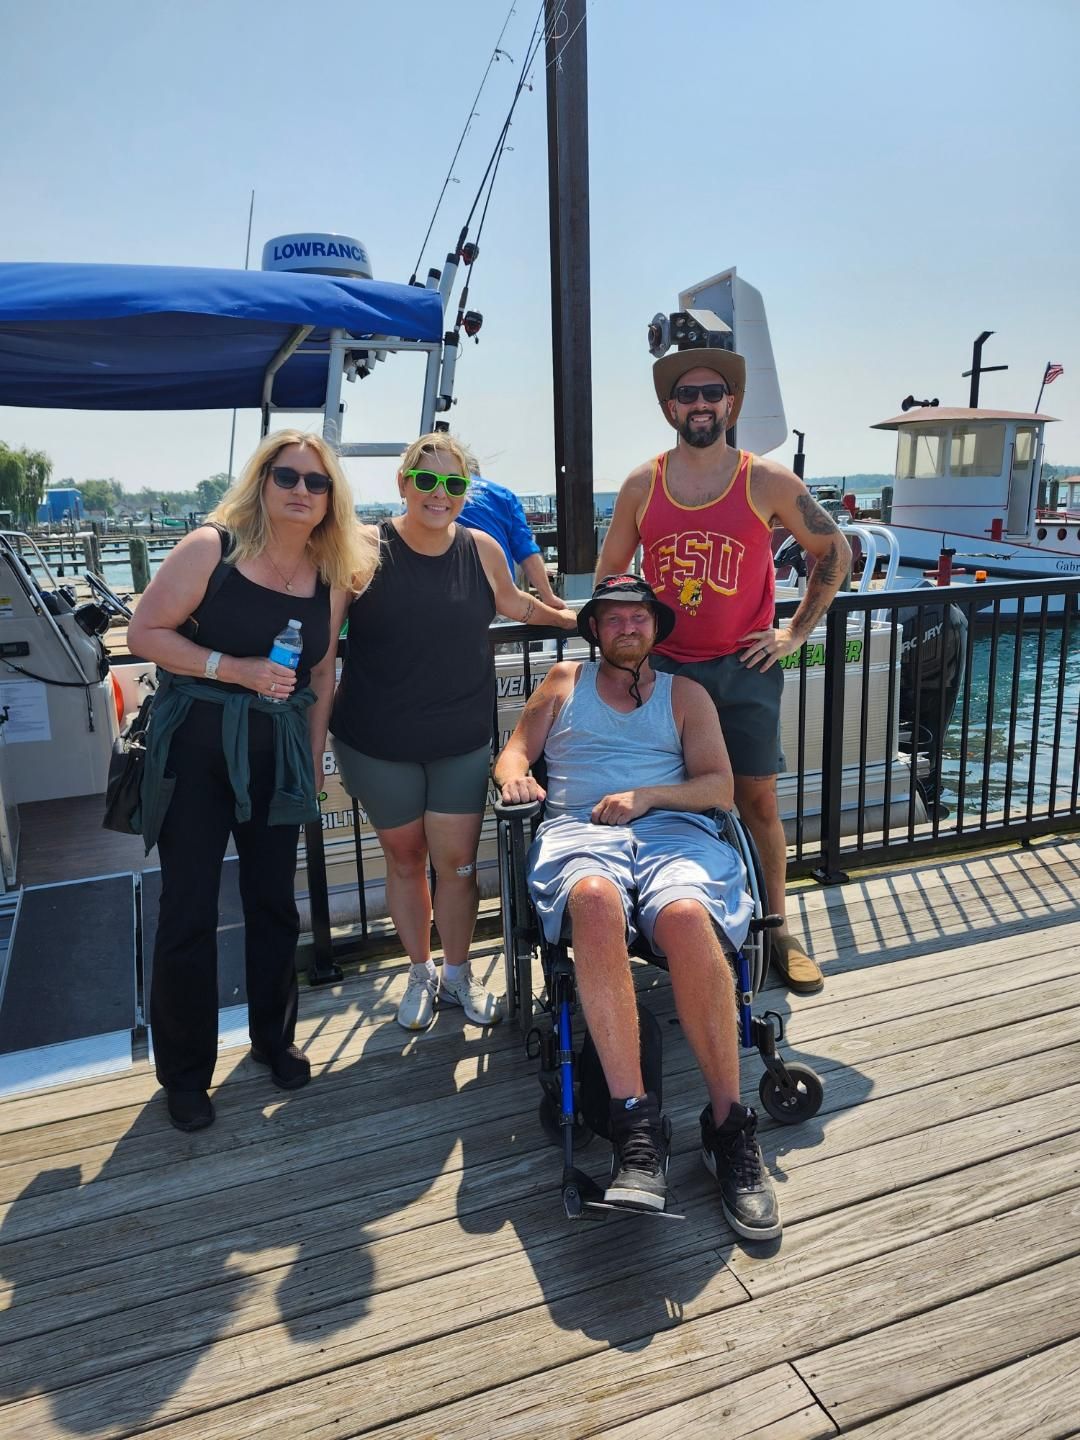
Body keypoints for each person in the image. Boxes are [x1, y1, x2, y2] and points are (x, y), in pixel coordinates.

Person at [494, 574, 781, 1239]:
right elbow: (515, 750)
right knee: (592, 901)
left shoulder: (687, 694)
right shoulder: (564, 681)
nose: (628, 627)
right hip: (580, 832)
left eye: (639, 618)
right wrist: (514, 773)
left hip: (672, 832)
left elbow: (718, 786)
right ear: (595, 629)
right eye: (614, 618)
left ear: (655, 628)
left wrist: (648, 796)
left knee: (685, 917)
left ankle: (729, 1127)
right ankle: (635, 1130)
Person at [127, 430, 376, 1132]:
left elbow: (322, 672)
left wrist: (314, 760)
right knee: (188, 911)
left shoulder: (332, 570)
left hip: (277, 756)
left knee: (272, 902)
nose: (301, 490)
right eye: (287, 476)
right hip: (196, 754)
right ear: (262, 482)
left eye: (316, 482)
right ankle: (184, 1072)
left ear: (333, 498)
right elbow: (145, 633)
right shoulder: (214, 547)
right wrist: (231, 669)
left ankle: (274, 1039)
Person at [595, 348, 851, 996]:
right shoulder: (640, 486)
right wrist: (628, 650)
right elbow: (610, 581)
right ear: (669, 407)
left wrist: (795, 633)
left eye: (713, 392)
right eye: (688, 394)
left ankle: (774, 926)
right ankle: (685, 924)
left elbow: (834, 550)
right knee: (667, 802)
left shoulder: (764, 481)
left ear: (730, 404)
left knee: (756, 800)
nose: (701, 403)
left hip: (745, 667)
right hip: (668, 674)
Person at [330, 432, 578, 1033]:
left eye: (454, 484)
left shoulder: (482, 546)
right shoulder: (362, 547)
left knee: (459, 864)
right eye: (428, 480)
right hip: (375, 739)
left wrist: (584, 618)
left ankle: (459, 973)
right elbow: (320, 648)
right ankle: (420, 972)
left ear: (467, 492)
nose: (439, 494)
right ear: (403, 483)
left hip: (459, 738)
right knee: (406, 859)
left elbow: (516, 603)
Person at [457, 455, 566, 611]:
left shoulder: (435, 496)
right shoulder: (503, 495)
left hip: (447, 594)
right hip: (497, 596)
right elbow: (526, 549)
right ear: (478, 472)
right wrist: (548, 596)